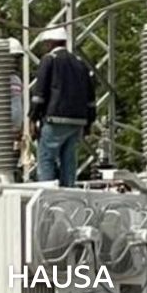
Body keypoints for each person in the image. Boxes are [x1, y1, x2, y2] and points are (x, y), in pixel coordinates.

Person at [28, 27, 96, 187]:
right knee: (69, 160)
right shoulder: (80, 63)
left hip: (55, 118)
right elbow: (90, 97)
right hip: (77, 121)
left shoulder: (49, 60)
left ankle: (47, 191)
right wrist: (89, 122)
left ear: (50, 43)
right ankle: (69, 191)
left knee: (46, 158)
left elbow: (40, 94)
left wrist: (32, 117)